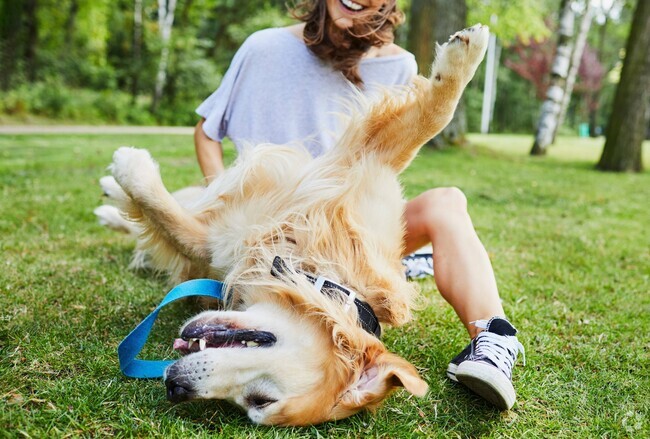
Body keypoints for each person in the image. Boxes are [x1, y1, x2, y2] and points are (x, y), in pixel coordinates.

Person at [194, 0, 524, 410]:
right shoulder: (263, 47)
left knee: (447, 202)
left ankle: (492, 341)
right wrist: (219, 200)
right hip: (271, 225)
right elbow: (208, 133)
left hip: (346, 228)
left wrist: (442, 99)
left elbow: (382, 166)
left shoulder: (398, 64)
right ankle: (415, 263)